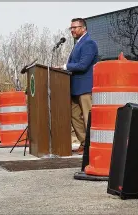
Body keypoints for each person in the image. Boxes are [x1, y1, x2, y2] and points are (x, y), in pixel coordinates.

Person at [59, 18, 98, 154]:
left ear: (83, 28)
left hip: (85, 88)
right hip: (74, 88)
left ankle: (92, 147)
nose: (72, 30)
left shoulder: (89, 43)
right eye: (71, 28)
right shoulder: (77, 44)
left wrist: (65, 67)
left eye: (75, 27)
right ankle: (84, 142)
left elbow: (83, 65)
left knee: (88, 118)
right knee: (74, 116)